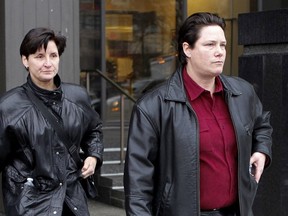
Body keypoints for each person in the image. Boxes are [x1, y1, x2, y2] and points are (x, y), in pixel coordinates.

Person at [124, 12, 272, 216]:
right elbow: (137, 185)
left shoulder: (242, 93)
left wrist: (262, 150)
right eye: (210, 45)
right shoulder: (153, 106)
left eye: (223, 45)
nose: (219, 52)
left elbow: (262, 124)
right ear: (187, 49)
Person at [0, 27, 103, 216]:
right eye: (39, 56)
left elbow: (94, 129)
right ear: (25, 60)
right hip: (30, 205)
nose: (48, 63)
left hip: (72, 201)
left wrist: (93, 156)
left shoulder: (77, 96)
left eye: (53, 55)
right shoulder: (8, 107)